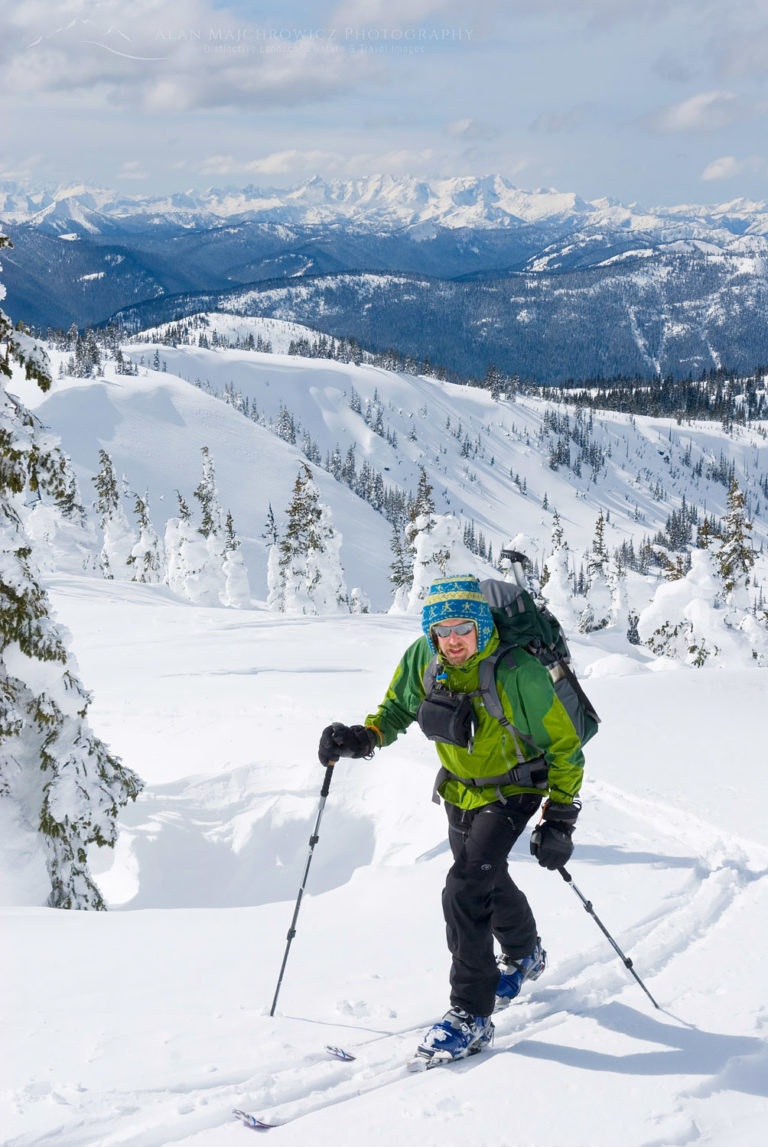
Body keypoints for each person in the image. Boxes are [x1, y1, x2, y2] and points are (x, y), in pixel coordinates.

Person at [318, 573, 584, 1066]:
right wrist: (362, 737)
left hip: (515, 789)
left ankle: (470, 1014)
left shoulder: (517, 671)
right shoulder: (425, 658)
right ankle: (526, 955)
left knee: (463, 887)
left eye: (464, 626)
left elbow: (565, 748)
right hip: (460, 787)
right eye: (442, 629)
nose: (453, 638)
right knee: (486, 877)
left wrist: (560, 818)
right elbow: (397, 708)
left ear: (481, 625)